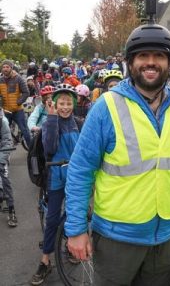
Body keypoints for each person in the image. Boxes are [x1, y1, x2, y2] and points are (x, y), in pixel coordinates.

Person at [65, 21, 170, 286]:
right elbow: (80, 170)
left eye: (159, 56)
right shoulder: (106, 106)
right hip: (117, 239)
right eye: (143, 56)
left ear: (169, 63)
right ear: (130, 63)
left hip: (166, 234)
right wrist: (76, 230)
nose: (151, 62)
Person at [30, 84, 80, 285]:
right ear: (55, 104)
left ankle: (69, 243)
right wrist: (51, 119)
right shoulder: (51, 122)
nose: (65, 107)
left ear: (74, 105)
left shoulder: (79, 123)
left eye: (69, 103)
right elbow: (49, 147)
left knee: (74, 214)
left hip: (75, 177)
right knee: (52, 219)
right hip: (56, 176)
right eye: (62, 103)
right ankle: (45, 259)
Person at [0, 60, 31, 147]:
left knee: (25, 130)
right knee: (3, 132)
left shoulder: (18, 78)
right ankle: (4, 152)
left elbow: (26, 92)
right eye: (3, 67)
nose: (5, 69)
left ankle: (33, 151)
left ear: (11, 68)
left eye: (7, 67)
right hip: (5, 111)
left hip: (18, 110)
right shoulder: (0, 80)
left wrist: (19, 102)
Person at [0, 107, 18, 227]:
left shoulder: (3, 122)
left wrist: (1, 160)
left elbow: (8, 142)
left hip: (2, 153)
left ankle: (11, 209)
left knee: (5, 178)